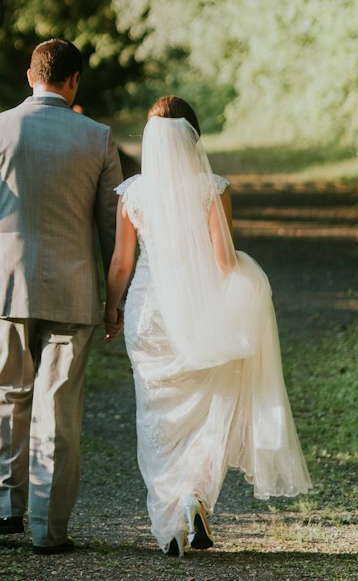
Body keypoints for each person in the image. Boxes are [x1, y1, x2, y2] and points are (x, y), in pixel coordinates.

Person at [104, 96, 312, 557]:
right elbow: (222, 262)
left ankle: (171, 517)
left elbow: (122, 263)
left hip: (148, 313)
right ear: (194, 138)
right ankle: (193, 498)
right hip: (198, 312)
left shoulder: (133, 193)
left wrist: (111, 309)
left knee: (157, 415)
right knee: (205, 411)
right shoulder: (212, 189)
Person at [0, 38, 122, 555]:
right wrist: (114, 299)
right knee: (58, 406)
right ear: (74, 82)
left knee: (6, 394)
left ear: (31, 76)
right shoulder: (98, 138)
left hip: (6, 284)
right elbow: (112, 231)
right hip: (75, 290)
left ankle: (6, 512)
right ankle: (49, 529)